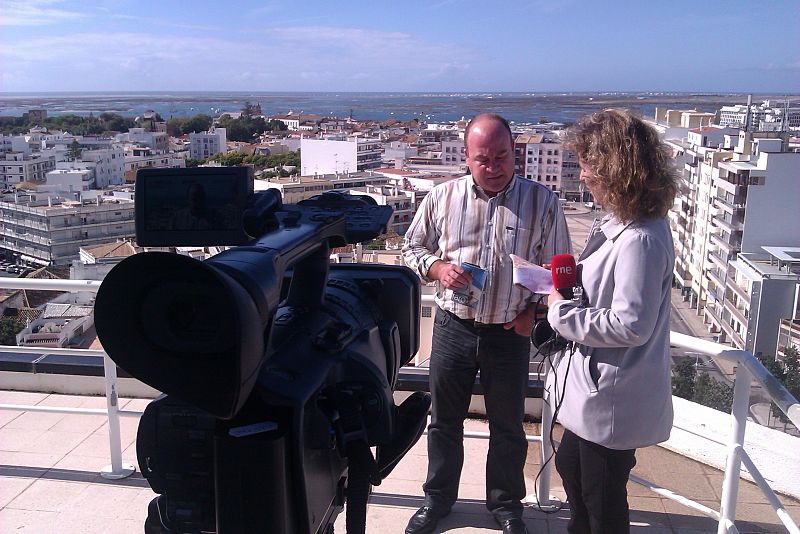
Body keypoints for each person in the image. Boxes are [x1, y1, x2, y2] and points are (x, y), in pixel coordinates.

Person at [402, 113, 572, 534]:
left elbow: (558, 274)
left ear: (515, 152)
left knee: (508, 426)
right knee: (443, 422)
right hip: (452, 327)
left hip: (508, 333)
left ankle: (506, 506)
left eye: (502, 156)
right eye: (484, 159)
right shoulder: (442, 197)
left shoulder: (542, 202)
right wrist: (438, 268)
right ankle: (437, 501)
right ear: (467, 157)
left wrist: (533, 316)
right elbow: (410, 246)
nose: (494, 167)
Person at [545, 109, 678, 534]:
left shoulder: (639, 238)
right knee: (573, 470)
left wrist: (560, 312)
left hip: (613, 396)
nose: (581, 176)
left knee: (601, 499)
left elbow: (631, 324)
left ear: (613, 168)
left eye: (586, 165)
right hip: (595, 390)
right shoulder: (625, 222)